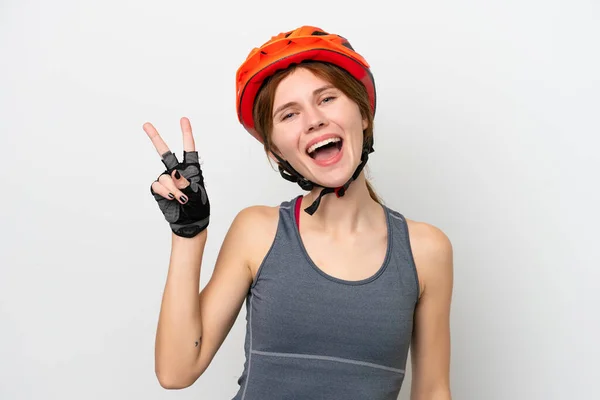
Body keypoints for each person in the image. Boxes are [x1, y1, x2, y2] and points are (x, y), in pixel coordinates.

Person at [144, 26, 454, 400]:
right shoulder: (258, 232)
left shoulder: (426, 251)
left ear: (364, 115)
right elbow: (177, 371)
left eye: (326, 99)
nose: (313, 120)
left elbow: (433, 391)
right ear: (276, 152)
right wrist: (188, 234)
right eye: (289, 114)